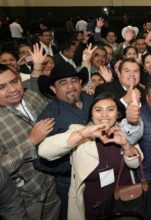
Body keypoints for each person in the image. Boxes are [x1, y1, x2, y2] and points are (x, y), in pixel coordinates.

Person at [38, 92, 142, 220]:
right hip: (92, 206)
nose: (104, 115)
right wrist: (84, 133)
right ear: (91, 114)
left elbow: (135, 163)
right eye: (98, 110)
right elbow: (44, 151)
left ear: (117, 113)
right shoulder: (78, 131)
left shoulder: (124, 130)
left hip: (124, 202)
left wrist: (126, 145)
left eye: (110, 109)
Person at [0, 64, 61, 219]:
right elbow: (2, 168)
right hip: (24, 198)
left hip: (52, 182)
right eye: (2, 87)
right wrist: (31, 141)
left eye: (14, 81)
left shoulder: (33, 96)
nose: (13, 89)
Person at [35, 61, 93, 220]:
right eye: (63, 83)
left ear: (80, 82)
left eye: (74, 80)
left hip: (101, 177)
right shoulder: (49, 117)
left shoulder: (92, 100)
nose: (71, 86)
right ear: (53, 89)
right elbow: (39, 160)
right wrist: (73, 165)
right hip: (70, 182)